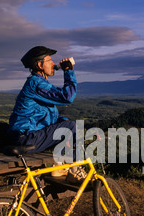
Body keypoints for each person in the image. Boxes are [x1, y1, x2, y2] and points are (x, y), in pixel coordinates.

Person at [7, 46, 86, 183]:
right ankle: (75, 170)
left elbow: (48, 117)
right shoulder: (36, 83)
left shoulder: (37, 82)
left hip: (26, 136)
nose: (53, 63)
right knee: (72, 126)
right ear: (39, 65)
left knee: (64, 122)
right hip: (27, 138)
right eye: (49, 60)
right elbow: (67, 97)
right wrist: (68, 71)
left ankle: (59, 167)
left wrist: (62, 121)